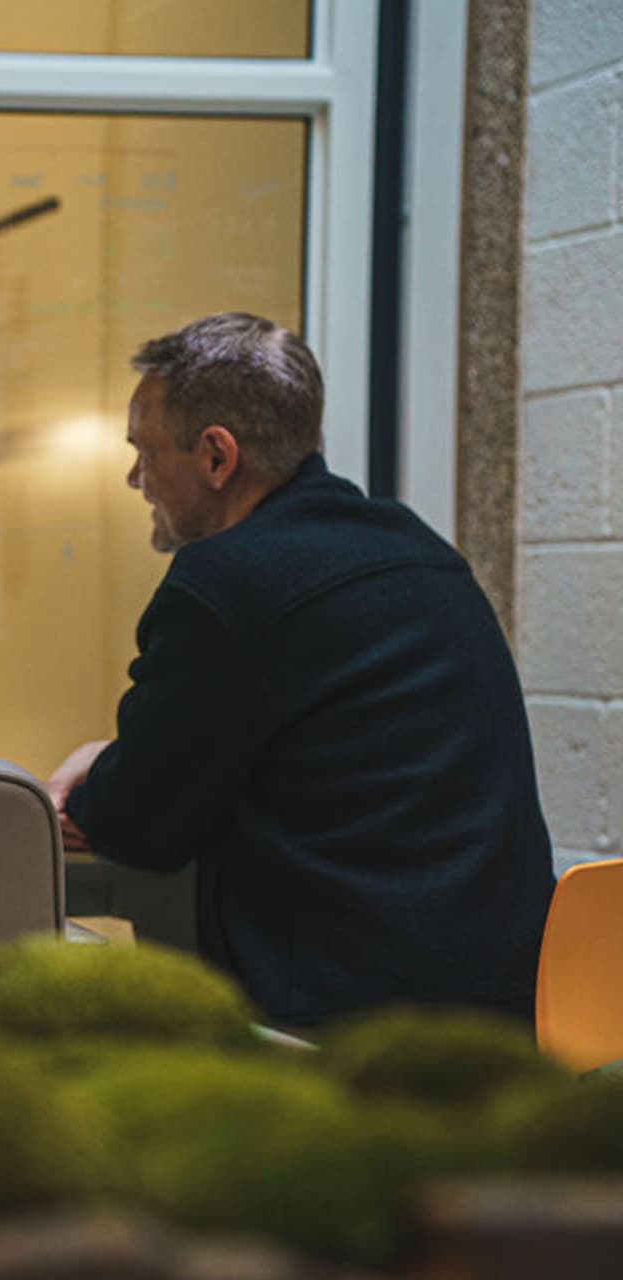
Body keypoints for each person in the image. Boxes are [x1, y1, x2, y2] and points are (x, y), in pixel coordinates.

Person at [48, 312, 555, 1028]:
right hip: (513, 1004)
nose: (137, 478)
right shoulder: (420, 549)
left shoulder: (224, 586)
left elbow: (137, 823)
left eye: (145, 452)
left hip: (351, 1025)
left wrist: (95, 778)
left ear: (217, 457)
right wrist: (115, 758)